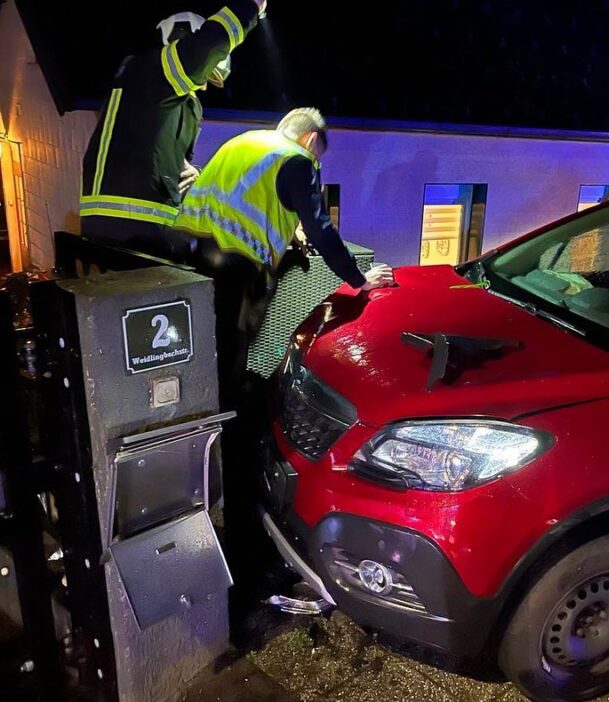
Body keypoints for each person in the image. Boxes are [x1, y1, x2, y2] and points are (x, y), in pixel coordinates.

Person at [174, 107, 394, 408]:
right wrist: (359, 279)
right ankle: (232, 420)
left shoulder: (244, 142)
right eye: (317, 154)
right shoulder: (297, 158)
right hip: (238, 263)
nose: (315, 161)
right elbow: (320, 228)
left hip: (195, 253)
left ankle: (202, 406)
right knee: (231, 351)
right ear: (311, 138)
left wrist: (291, 232)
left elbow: (245, 198)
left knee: (205, 343)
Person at [79, 1, 267, 259]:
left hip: (141, 228)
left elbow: (164, 157)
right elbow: (205, 48)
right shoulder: (153, 71)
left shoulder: (160, 97)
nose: (203, 85)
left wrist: (191, 173)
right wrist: (250, 8)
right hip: (130, 227)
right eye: (205, 73)